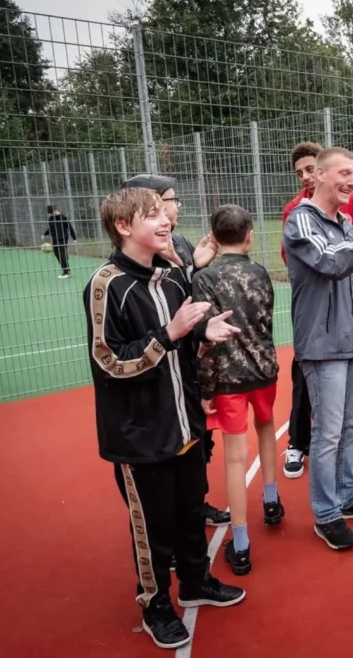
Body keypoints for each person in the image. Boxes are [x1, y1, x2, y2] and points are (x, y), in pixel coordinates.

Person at [85, 186, 245, 650]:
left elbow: (181, 340)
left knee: (192, 510)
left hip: (185, 424)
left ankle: (197, 582)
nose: (166, 221)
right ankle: (155, 605)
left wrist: (200, 332)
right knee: (152, 528)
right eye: (152, 214)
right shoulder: (106, 285)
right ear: (122, 226)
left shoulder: (174, 277)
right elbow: (108, 361)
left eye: (164, 212)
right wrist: (172, 333)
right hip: (140, 437)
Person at [282, 147, 353, 551]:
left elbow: (347, 276)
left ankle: (347, 497)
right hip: (323, 345)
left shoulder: (347, 221)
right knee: (328, 433)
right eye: (346, 173)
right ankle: (326, 513)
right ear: (319, 175)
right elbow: (330, 262)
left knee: (351, 426)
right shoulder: (300, 221)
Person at [121, 174, 228, 528]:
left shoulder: (178, 242)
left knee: (198, 443)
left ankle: (195, 507)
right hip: (158, 370)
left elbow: (181, 296)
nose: (174, 207)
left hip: (189, 361)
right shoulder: (126, 272)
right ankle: (164, 532)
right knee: (163, 461)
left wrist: (195, 264)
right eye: (168, 200)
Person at [192, 204, 282, 576]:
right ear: (249, 236)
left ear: (213, 238)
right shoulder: (260, 272)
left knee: (233, 456)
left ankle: (241, 544)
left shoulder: (204, 278)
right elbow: (265, 321)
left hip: (228, 378)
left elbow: (207, 339)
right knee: (266, 427)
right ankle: (272, 501)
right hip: (264, 371)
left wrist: (205, 385)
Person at [42, 205, 77, 279]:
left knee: (62, 254)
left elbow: (69, 227)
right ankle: (65, 269)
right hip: (55, 239)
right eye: (50, 213)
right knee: (57, 254)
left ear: (55, 210)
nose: (52, 214)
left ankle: (67, 272)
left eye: (52, 213)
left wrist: (74, 238)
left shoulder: (63, 218)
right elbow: (50, 228)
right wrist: (45, 234)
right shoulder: (51, 218)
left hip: (63, 239)